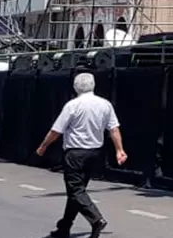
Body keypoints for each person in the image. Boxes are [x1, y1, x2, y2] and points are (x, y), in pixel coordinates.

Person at [36, 72, 126, 238]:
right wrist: (119, 150)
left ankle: (96, 219)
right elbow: (113, 129)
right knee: (77, 191)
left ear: (75, 87)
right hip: (95, 153)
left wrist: (43, 146)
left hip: (75, 153)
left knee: (75, 191)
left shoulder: (73, 105)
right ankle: (64, 227)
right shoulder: (105, 104)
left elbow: (56, 130)